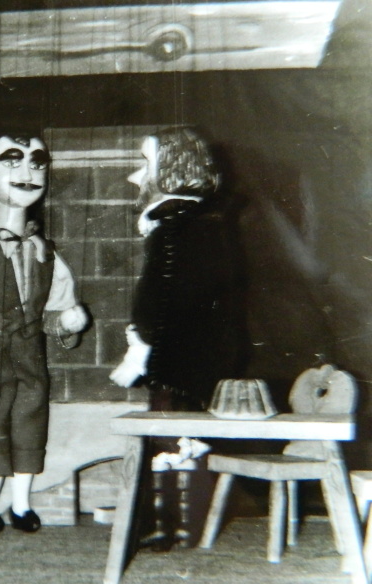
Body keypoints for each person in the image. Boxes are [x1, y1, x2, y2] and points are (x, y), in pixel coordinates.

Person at [110, 126, 246, 548]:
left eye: (145, 165)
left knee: (168, 431)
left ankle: (167, 522)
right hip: (198, 350)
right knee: (187, 433)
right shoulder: (201, 222)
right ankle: (185, 523)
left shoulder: (173, 224)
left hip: (176, 352)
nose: (135, 176)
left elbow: (158, 292)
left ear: (172, 170)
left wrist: (142, 338)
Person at [0, 134, 88, 535]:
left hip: (31, 360)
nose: (28, 172)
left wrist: (68, 322)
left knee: (30, 428)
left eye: (38, 163)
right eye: (12, 161)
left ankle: (22, 504)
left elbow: (57, 308)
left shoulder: (46, 252)